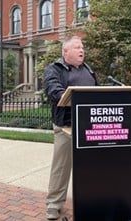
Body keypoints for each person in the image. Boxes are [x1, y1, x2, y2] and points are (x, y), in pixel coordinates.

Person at [43, 36, 99, 220]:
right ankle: (54, 204)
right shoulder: (55, 69)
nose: (82, 50)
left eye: (82, 47)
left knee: (89, 167)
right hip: (66, 127)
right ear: (65, 52)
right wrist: (75, 98)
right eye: (77, 47)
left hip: (88, 127)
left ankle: (89, 200)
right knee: (61, 167)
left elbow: (97, 93)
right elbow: (54, 91)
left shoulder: (89, 71)